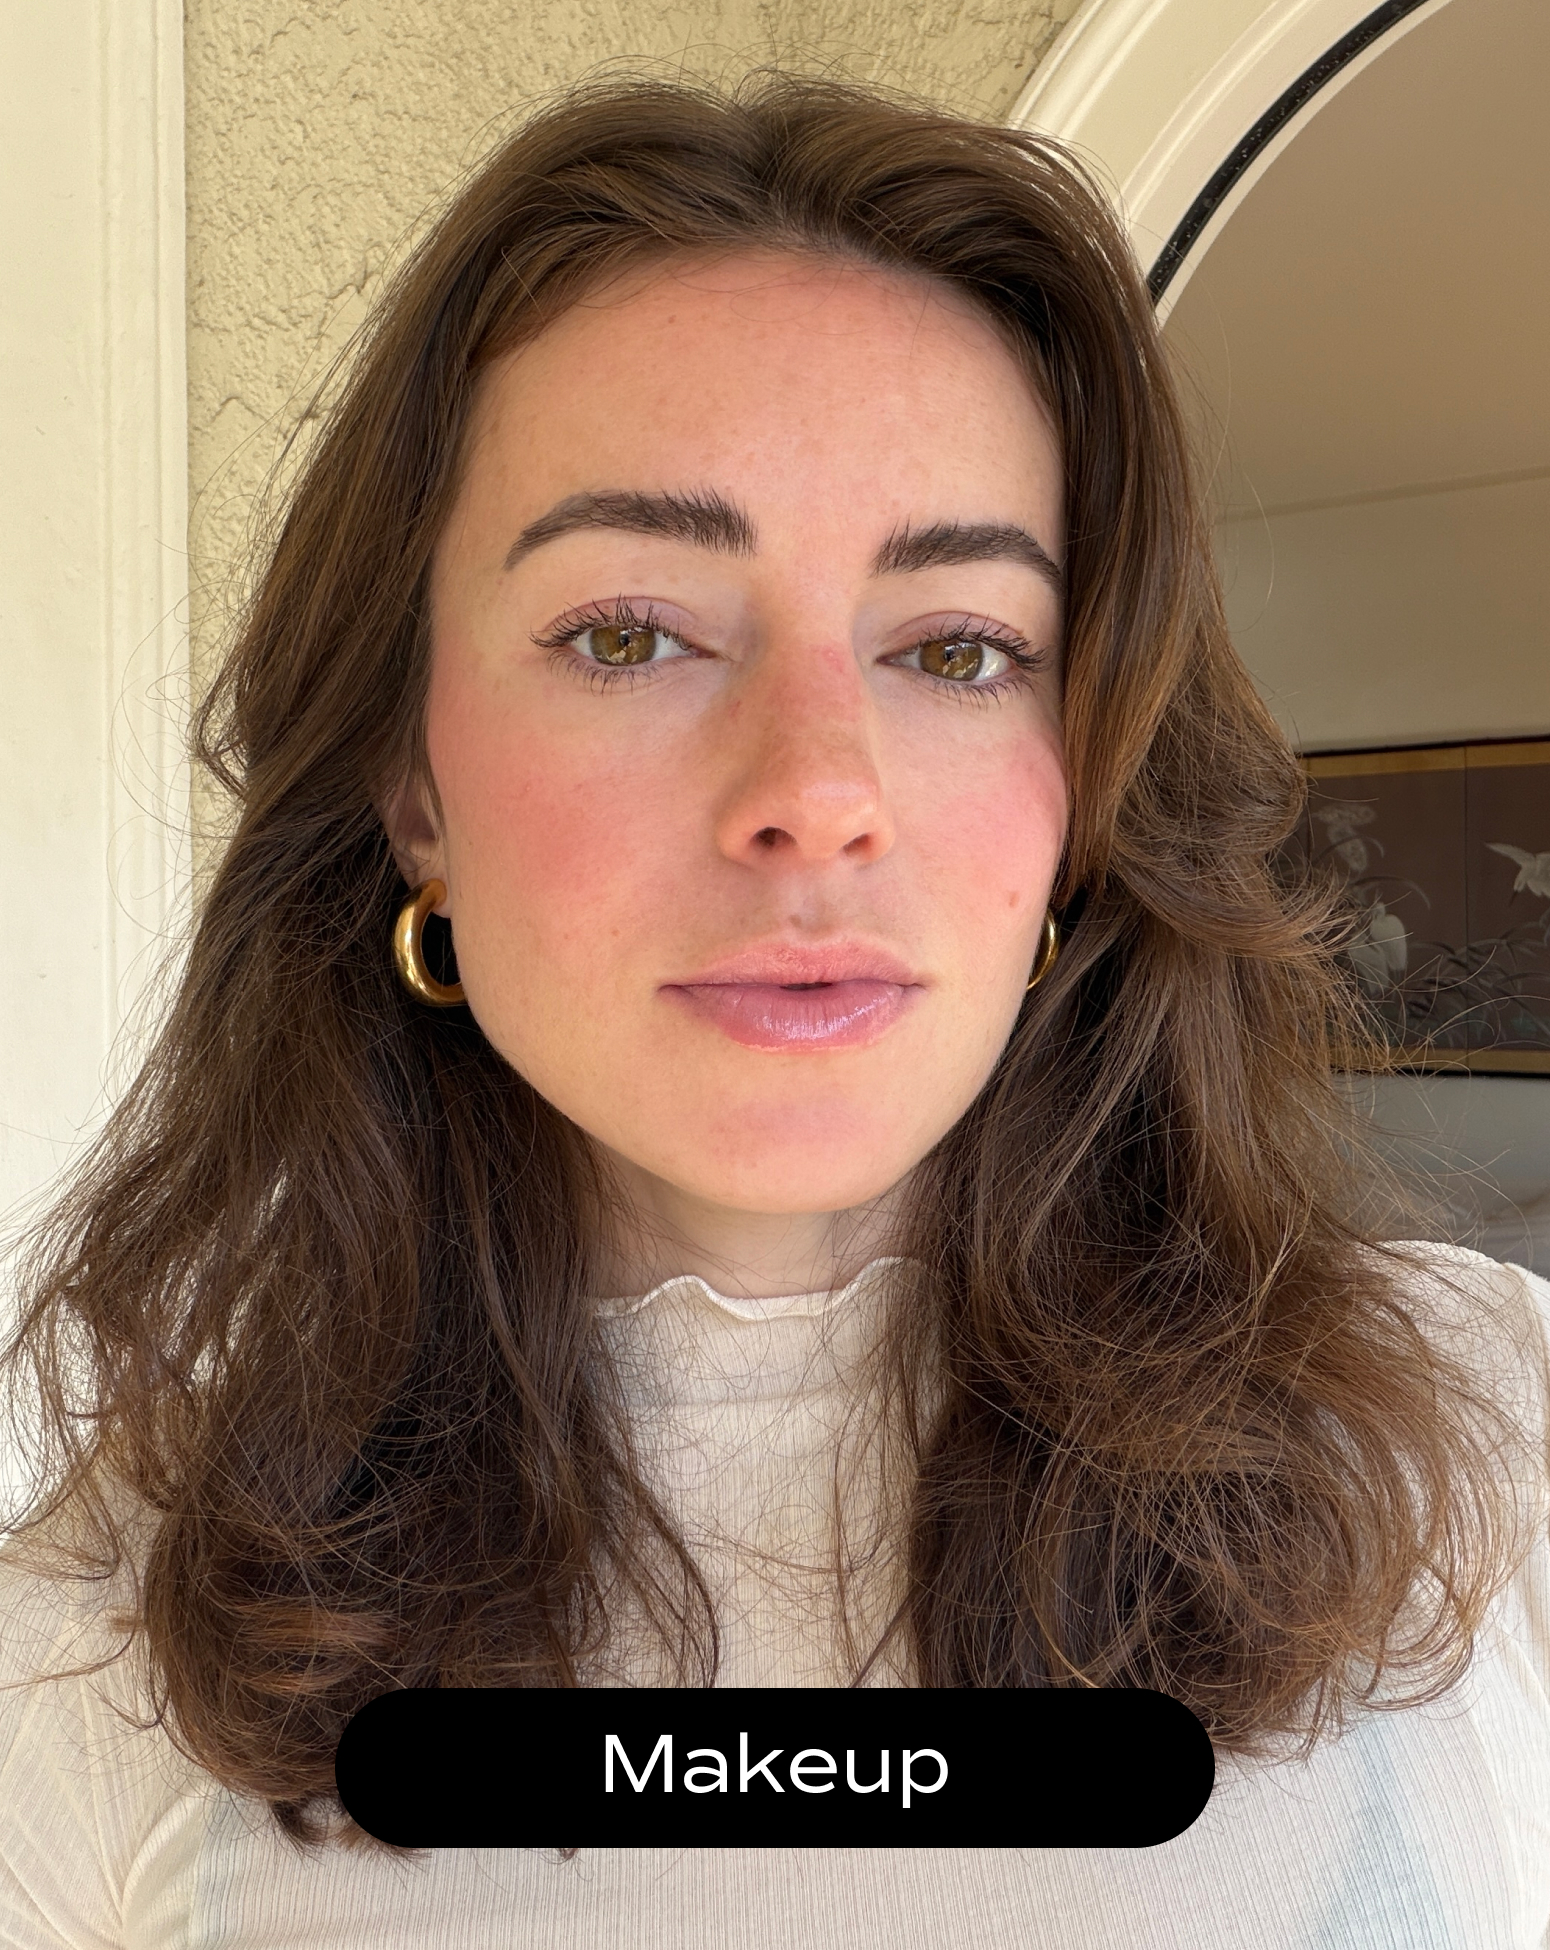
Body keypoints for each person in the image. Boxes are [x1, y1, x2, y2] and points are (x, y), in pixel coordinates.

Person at [1, 72, 1546, 1949]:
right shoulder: (93, 1642)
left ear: (1079, 803)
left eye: (958, 647)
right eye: (629, 632)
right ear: (414, 788)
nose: (816, 787)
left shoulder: (1495, 1442)